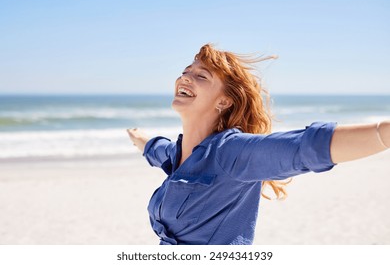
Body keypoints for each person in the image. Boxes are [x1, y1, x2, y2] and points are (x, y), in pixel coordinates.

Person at [127, 43, 389, 245]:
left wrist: (382, 133)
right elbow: (154, 148)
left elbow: (304, 148)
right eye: (185, 72)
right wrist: (138, 136)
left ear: (224, 101)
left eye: (201, 76)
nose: (185, 78)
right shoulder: (177, 155)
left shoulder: (231, 152)